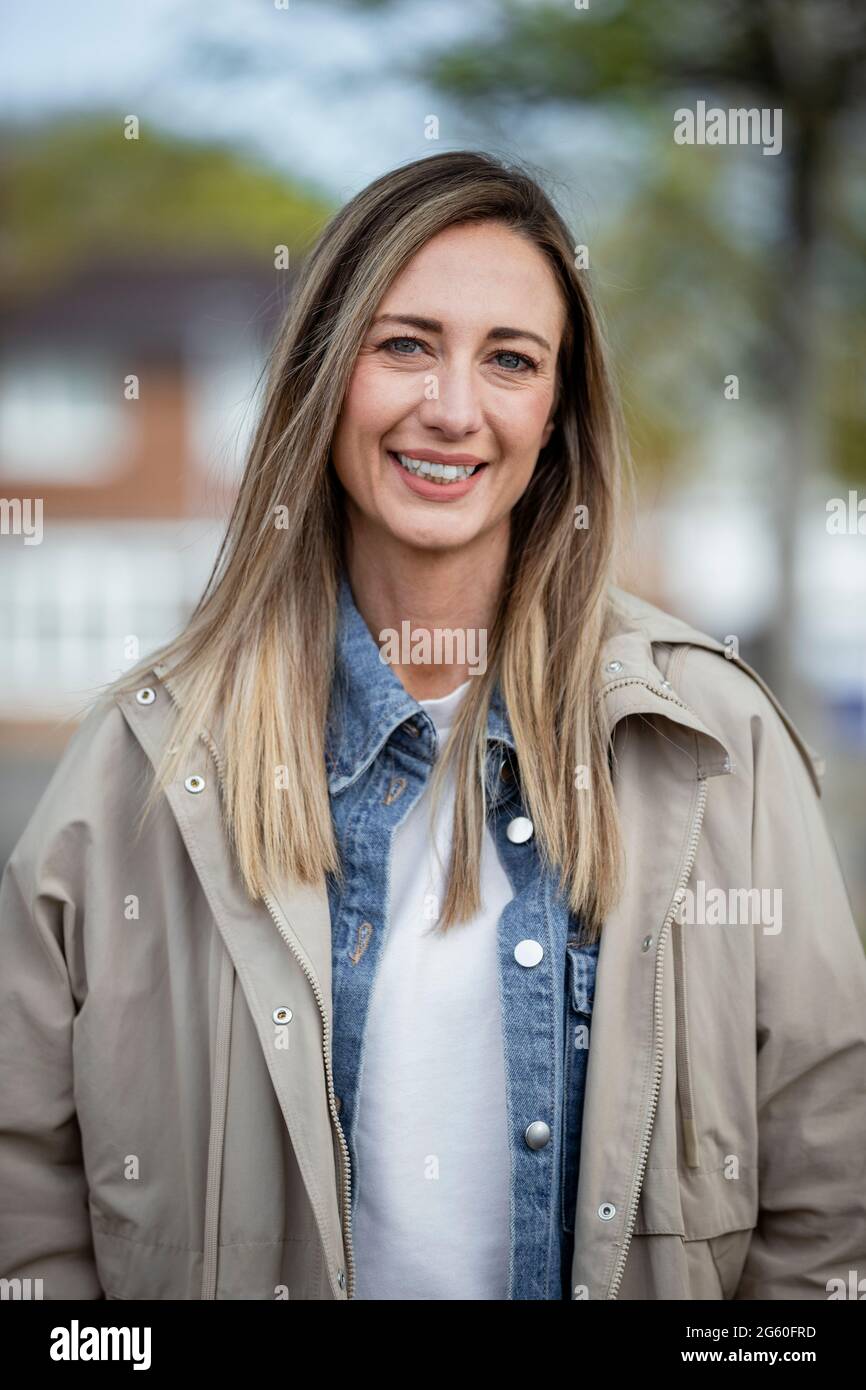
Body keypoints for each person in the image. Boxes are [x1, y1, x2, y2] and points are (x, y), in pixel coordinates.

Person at [1, 150, 864, 1302]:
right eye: (403, 343)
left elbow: (826, 1189)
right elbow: (24, 1186)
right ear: (324, 371)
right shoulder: (146, 759)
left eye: (509, 360)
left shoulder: (708, 743)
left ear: (555, 413)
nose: (450, 408)